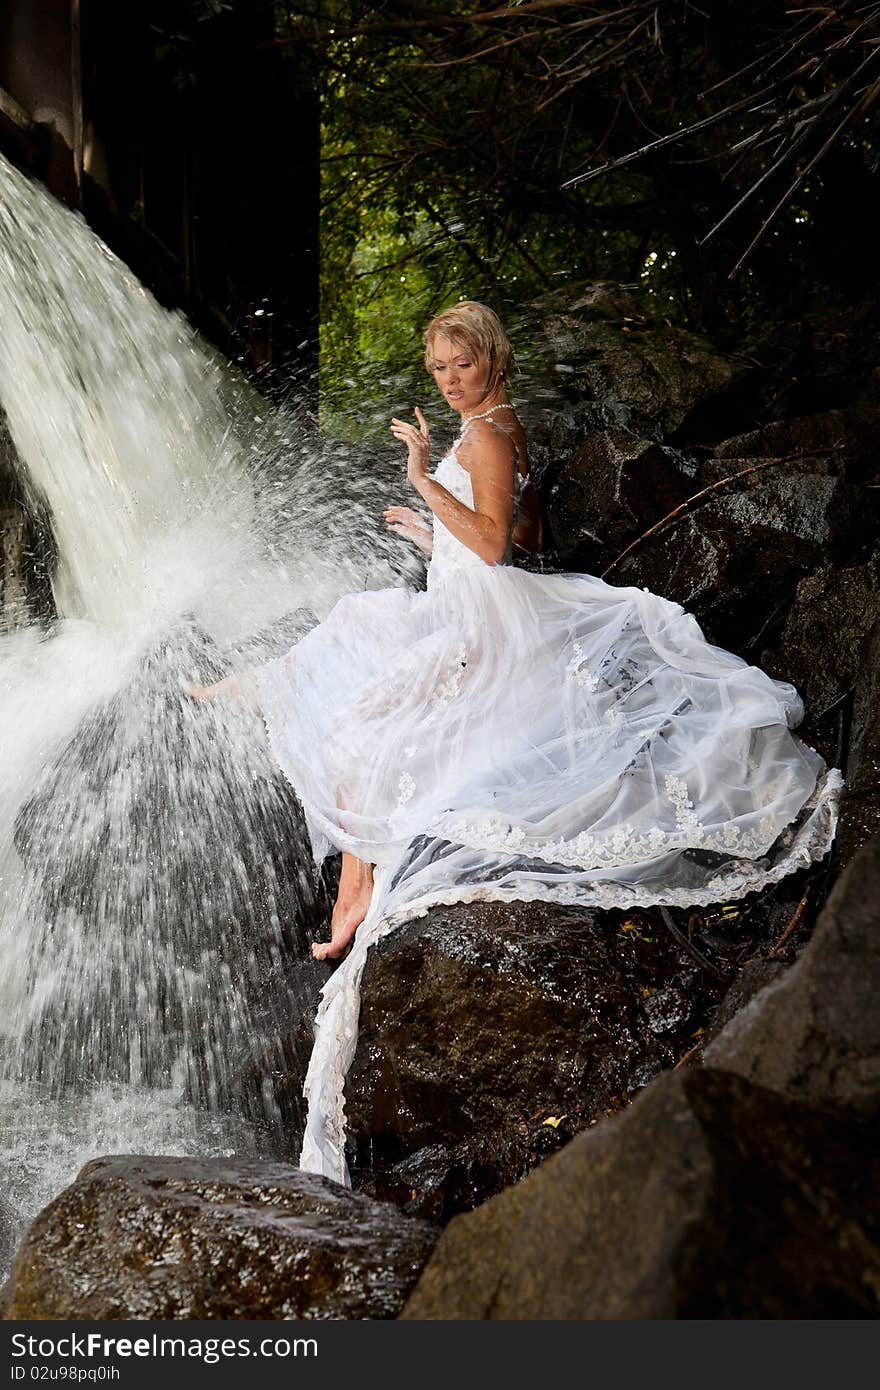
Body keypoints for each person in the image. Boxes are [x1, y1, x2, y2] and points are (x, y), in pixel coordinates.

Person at [190, 300, 841, 966]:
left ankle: (356, 888)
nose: (448, 380)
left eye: (462, 363)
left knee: (370, 729)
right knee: (363, 621)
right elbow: (527, 531)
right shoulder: (497, 425)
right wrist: (434, 533)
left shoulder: (488, 436)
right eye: (439, 367)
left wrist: (422, 481)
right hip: (466, 598)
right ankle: (265, 699)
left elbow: (499, 545)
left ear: (494, 358)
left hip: (482, 618)